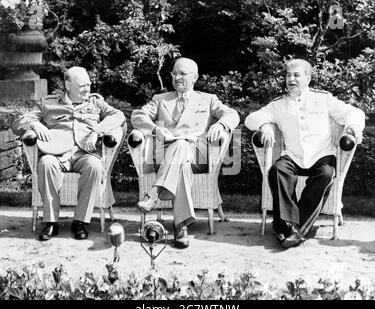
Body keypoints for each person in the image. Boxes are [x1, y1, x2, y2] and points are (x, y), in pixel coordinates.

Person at [245, 59, 365, 249]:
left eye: (296, 75)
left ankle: (292, 227)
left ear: (308, 78)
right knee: (277, 169)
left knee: (326, 174)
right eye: (288, 75)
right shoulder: (279, 104)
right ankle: (291, 227)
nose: (291, 79)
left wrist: (352, 128)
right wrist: (265, 125)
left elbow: (355, 113)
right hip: (293, 156)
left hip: (321, 155)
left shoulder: (323, 99)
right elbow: (251, 118)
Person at [131, 57, 239, 248]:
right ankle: (180, 226)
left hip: (198, 154)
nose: (177, 77)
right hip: (166, 155)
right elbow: (137, 116)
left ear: (195, 77)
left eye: (183, 74)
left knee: (181, 144)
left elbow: (232, 114)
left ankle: (154, 193)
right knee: (182, 164)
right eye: (174, 73)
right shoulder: (160, 100)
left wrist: (221, 124)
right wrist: (155, 129)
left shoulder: (208, 99)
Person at [12, 66, 126, 241]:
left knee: (95, 166)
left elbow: (119, 116)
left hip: (84, 153)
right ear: (68, 85)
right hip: (57, 154)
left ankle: (80, 221)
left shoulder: (96, 103)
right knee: (45, 163)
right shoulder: (48, 103)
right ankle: (50, 222)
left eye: (89, 84)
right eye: (82, 86)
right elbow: (18, 123)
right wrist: (34, 124)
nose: (87, 89)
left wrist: (97, 131)